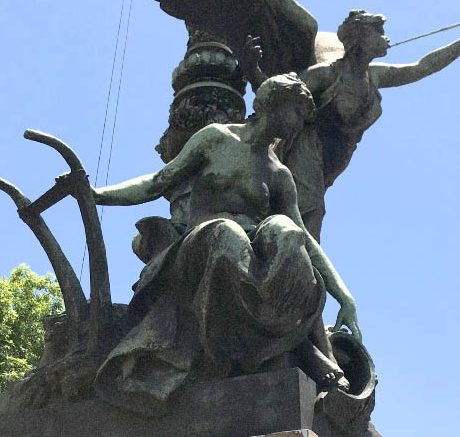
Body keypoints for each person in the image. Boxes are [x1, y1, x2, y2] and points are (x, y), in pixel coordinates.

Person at [89, 74, 361, 415]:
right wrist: (96, 195)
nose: (298, 125)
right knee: (227, 233)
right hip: (201, 246)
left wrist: (344, 295)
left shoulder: (279, 174)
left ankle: (288, 345)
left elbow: (304, 236)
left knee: (285, 232)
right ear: (272, 105)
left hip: (254, 257)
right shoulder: (216, 139)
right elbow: (157, 182)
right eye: (296, 114)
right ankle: (260, 348)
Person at [244, 9, 460, 239]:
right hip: (307, 150)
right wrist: (253, 70)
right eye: (378, 31)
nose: (385, 36)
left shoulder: (375, 77)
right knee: (309, 210)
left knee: (311, 211)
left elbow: (423, 67)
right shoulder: (326, 74)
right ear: (359, 37)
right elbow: (280, 93)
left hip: (332, 164)